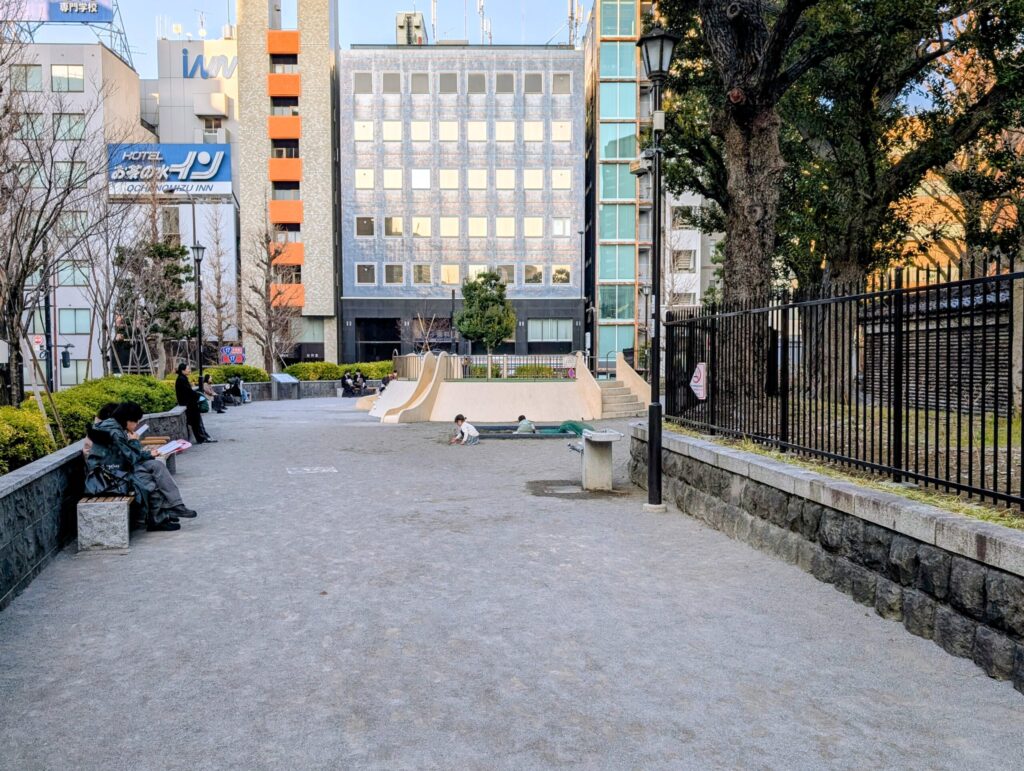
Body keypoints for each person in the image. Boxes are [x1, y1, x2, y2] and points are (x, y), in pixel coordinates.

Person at [86, 401, 198, 532]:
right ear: (128, 420)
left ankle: (176, 506)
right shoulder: (114, 431)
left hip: (119, 468)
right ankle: (158, 518)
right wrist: (135, 441)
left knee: (156, 465)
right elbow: (131, 457)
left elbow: (129, 454)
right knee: (149, 481)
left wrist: (149, 454)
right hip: (109, 476)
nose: (137, 425)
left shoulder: (114, 427)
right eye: (136, 421)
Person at [175, 362, 215, 443]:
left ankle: (203, 437)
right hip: (188, 404)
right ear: (183, 370)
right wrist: (198, 396)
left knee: (196, 422)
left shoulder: (182, 378)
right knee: (196, 422)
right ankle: (202, 438)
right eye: (188, 369)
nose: (189, 370)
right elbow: (188, 391)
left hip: (189, 403)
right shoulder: (181, 379)